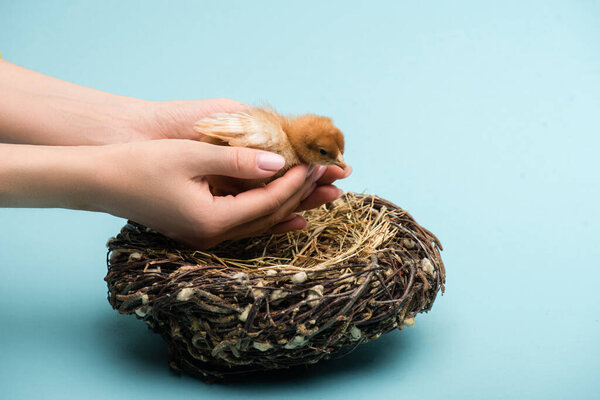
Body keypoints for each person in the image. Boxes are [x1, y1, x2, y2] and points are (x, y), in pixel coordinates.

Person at [0, 59, 350, 248]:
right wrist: (104, 179)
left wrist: (139, 126)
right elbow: (217, 133)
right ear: (305, 146)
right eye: (325, 154)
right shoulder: (274, 141)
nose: (336, 163)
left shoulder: (287, 140)